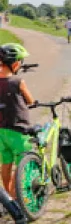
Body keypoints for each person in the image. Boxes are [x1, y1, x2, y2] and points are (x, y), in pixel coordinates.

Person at [0, 43, 35, 198]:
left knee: (6, 162)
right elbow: (30, 100)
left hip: (1, 129)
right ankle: (16, 195)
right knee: (22, 161)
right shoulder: (18, 81)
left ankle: (7, 193)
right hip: (18, 128)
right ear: (14, 64)